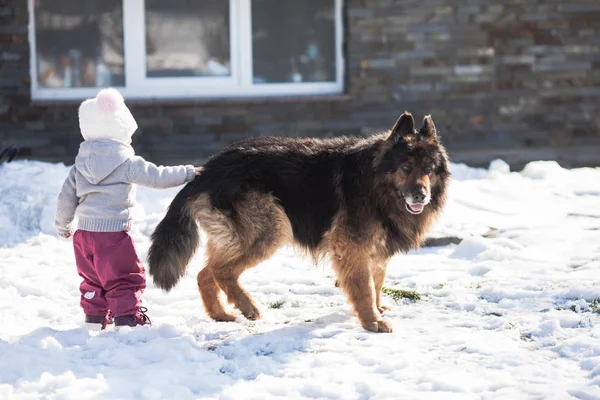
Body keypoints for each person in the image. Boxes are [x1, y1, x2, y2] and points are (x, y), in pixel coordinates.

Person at [54, 88, 201, 331]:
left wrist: (63, 225)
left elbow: (65, 199)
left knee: (93, 280)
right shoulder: (125, 163)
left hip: (84, 236)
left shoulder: (79, 166)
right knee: (123, 278)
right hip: (112, 235)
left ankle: (93, 319)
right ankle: (127, 320)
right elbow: (157, 177)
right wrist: (189, 172)